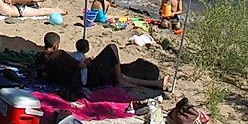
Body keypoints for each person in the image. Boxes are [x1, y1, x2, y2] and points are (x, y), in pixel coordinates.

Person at [36, 33, 169, 92]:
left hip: (78, 79)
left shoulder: (42, 58)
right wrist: (87, 61)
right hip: (88, 78)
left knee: (120, 74)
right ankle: (120, 80)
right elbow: (81, 65)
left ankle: (156, 84)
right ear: (55, 46)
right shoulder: (60, 55)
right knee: (112, 48)